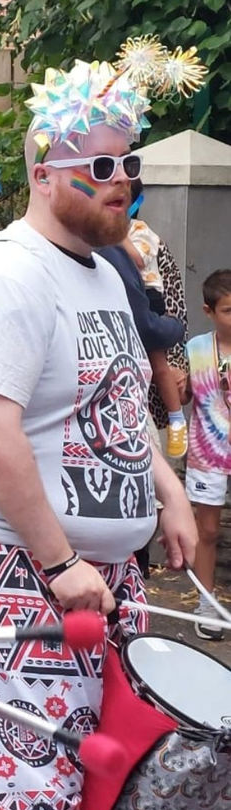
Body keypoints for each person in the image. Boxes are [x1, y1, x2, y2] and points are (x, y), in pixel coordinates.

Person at [0, 53, 198, 810]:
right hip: (9, 567)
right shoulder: (9, 274)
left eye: (130, 165)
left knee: (90, 791)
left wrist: (168, 490)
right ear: (45, 174)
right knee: (29, 798)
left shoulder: (102, 275)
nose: (123, 183)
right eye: (101, 168)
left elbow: (114, 408)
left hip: (89, 575)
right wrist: (58, 562)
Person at [184, 268, 231, 640]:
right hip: (209, 450)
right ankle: (206, 604)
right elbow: (185, 396)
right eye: (228, 310)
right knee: (208, 530)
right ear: (209, 311)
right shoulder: (196, 349)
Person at [123, 200, 189, 457]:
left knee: (159, 367)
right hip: (122, 300)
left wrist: (116, 235)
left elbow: (138, 260)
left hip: (147, 299)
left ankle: (176, 419)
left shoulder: (140, 230)